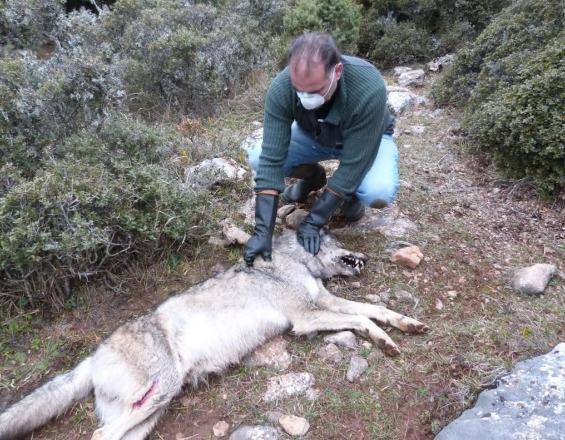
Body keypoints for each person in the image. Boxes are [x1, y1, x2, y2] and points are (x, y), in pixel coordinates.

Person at [244, 32, 397, 265]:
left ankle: (352, 195)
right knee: (257, 157)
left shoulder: (369, 86)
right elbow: (271, 158)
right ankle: (313, 177)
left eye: (314, 90)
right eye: (299, 89)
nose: (306, 97)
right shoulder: (282, 87)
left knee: (378, 191)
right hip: (314, 135)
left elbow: (356, 161)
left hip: (366, 139)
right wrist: (262, 232)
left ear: (337, 71)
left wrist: (315, 220)